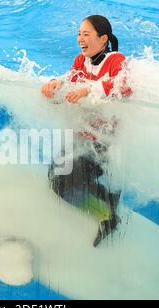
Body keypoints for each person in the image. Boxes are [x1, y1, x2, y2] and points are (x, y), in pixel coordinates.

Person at [42, 15, 131, 247]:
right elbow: (70, 78)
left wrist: (86, 90)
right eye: (79, 33)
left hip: (103, 140)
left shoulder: (116, 59)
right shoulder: (81, 60)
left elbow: (125, 86)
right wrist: (55, 83)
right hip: (81, 134)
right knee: (55, 182)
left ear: (103, 39)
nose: (80, 39)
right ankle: (107, 208)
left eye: (86, 34)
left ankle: (110, 214)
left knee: (66, 182)